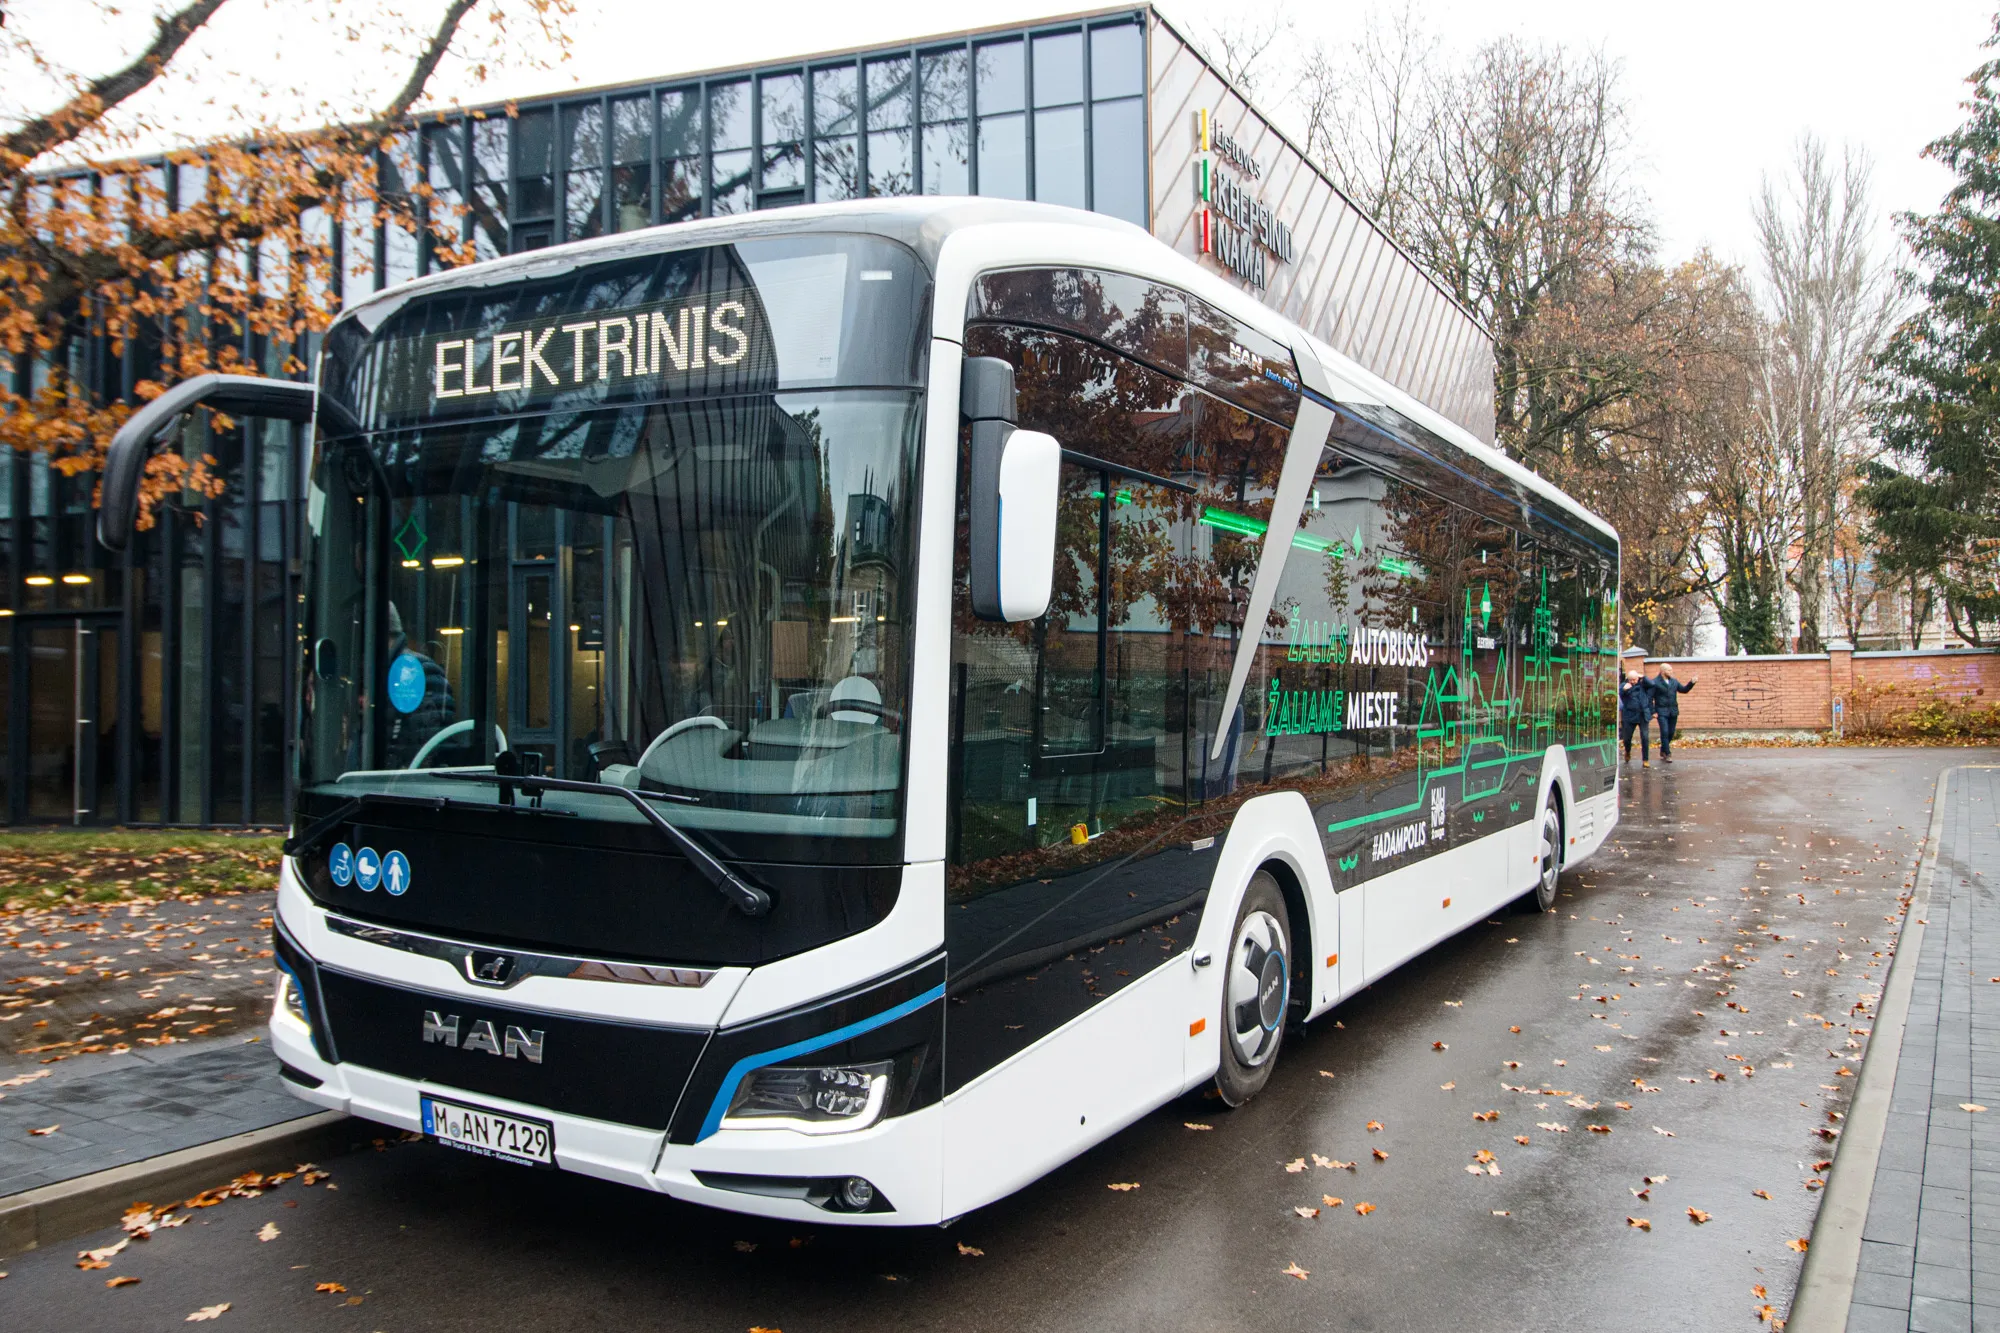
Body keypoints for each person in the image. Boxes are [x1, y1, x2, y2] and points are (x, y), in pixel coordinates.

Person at [1646, 662, 1698, 762]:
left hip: (1673, 710)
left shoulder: (1674, 681)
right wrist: (1653, 711)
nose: (1671, 672)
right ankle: (1668, 753)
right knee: (1664, 732)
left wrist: (1691, 682)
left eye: (1671, 670)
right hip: (1661, 711)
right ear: (1662, 671)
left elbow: (1683, 690)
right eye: (1669, 670)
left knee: (1671, 732)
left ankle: (1663, 749)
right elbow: (1649, 698)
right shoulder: (1655, 682)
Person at [1618, 657, 1655, 768]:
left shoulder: (1643, 684)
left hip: (1643, 715)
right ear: (1628, 679)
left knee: (1645, 737)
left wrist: (1643, 677)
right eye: (1631, 680)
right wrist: (1624, 689)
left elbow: (1652, 684)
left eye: (1635, 680)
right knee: (1627, 738)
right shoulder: (1624, 686)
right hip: (1629, 716)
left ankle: (1645, 759)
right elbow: (1619, 694)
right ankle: (1628, 751)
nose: (1634, 682)